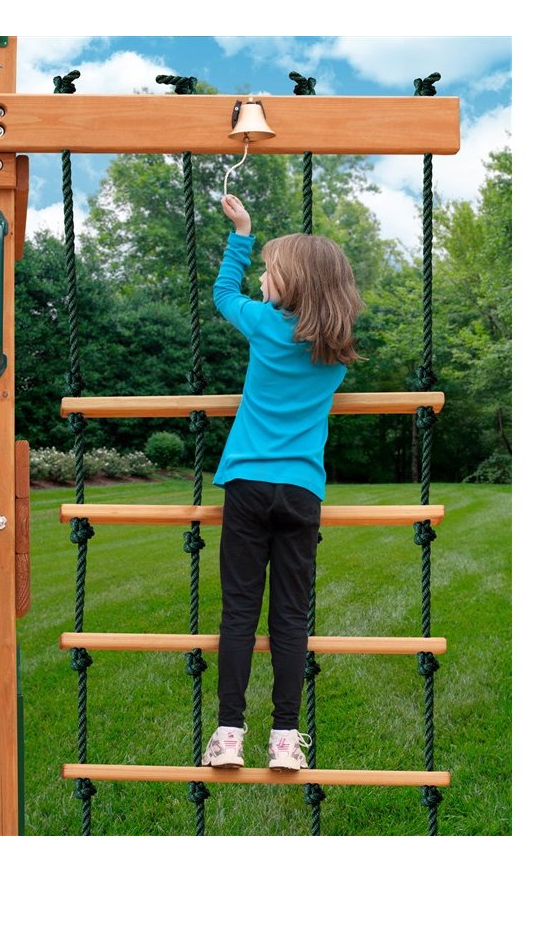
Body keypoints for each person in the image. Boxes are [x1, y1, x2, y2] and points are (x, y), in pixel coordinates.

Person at [200, 194, 364, 771]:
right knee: (292, 617)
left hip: (247, 484)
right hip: (300, 492)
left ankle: (228, 733)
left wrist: (241, 233)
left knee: (239, 613)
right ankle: (286, 738)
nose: (262, 279)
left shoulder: (266, 325)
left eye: (270, 271)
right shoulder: (334, 351)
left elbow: (223, 294)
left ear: (290, 283)